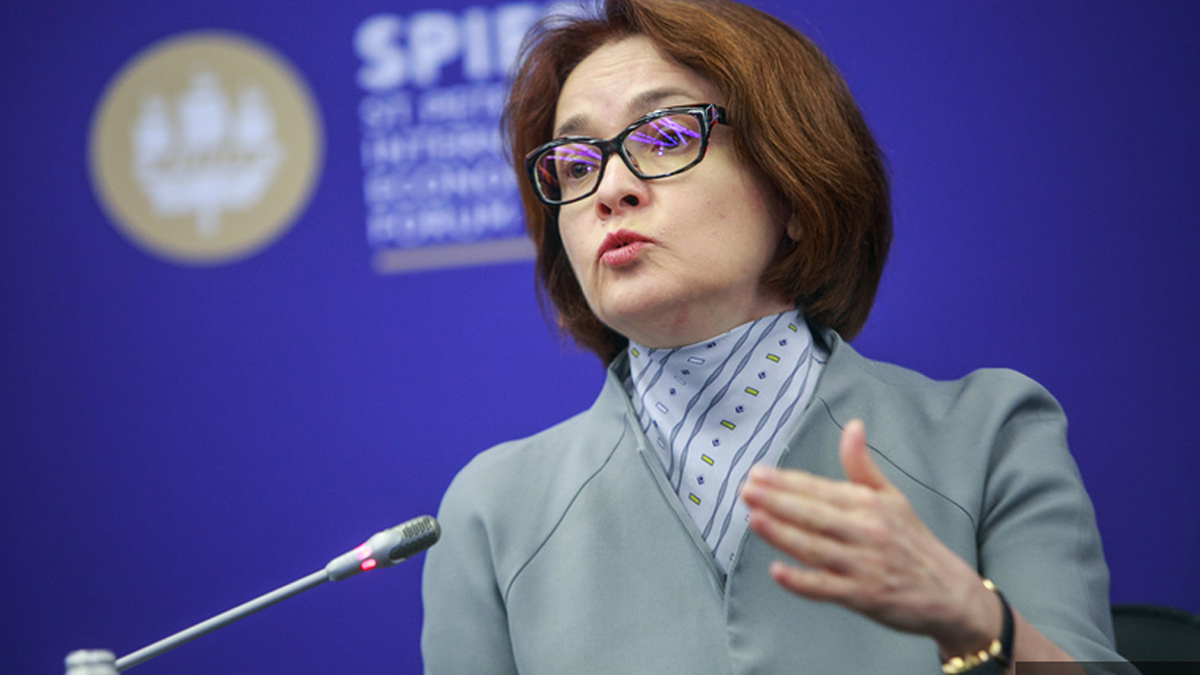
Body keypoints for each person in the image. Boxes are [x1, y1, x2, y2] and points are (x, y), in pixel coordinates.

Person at [421, 0, 1127, 672]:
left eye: (664, 137)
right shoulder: (492, 511)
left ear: (792, 186)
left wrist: (975, 619)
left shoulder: (986, 437)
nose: (609, 189)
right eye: (576, 164)